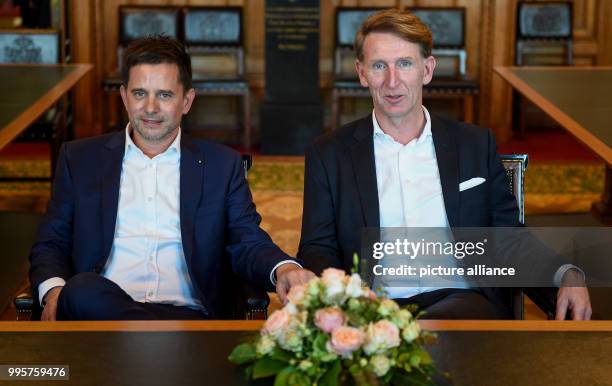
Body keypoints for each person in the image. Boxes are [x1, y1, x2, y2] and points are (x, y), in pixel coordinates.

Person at [298, 9, 591, 320]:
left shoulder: (474, 145)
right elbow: (318, 248)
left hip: (462, 303)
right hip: (372, 309)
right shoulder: (328, 154)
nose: (392, 81)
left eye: (405, 64)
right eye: (379, 65)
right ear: (361, 72)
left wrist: (565, 274)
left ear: (427, 70)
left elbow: (508, 239)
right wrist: (342, 301)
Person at [30, 36, 314, 321]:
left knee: (80, 295)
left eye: (164, 95)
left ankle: (147, 345)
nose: (150, 108)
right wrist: (55, 293)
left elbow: (248, 241)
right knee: (80, 290)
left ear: (186, 101)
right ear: (124, 97)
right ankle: (157, 346)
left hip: (187, 317)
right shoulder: (80, 159)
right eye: (140, 93)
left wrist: (284, 268)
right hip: (101, 314)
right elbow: (51, 243)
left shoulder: (220, 165)